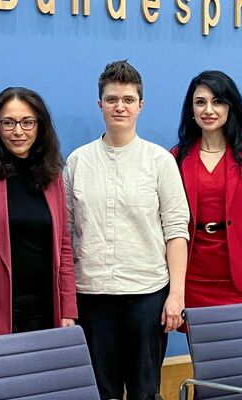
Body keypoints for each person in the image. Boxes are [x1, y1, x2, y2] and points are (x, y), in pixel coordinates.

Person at [64, 60, 189, 400]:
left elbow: (176, 231)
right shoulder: (77, 161)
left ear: (140, 105)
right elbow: (66, 233)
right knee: (100, 390)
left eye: (128, 99)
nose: (120, 106)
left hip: (146, 294)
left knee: (144, 391)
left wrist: (176, 295)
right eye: (112, 99)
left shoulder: (160, 161)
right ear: (100, 104)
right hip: (92, 295)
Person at [0, 87, 77, 338]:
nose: (18, 131)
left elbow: (64, 246)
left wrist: (68, 309)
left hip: (46, 307)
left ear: (40, 127)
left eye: (27, 122)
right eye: (9, 123)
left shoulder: (52, 178)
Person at [171, 70, 242, 316]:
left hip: (240, 271)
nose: (208, 110)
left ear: (230, 106)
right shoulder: (177, 157)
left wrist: (240, 238)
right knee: (202, 339)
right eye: (200, 102)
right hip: (194, 273)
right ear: (191, 110)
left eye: (217, 101)